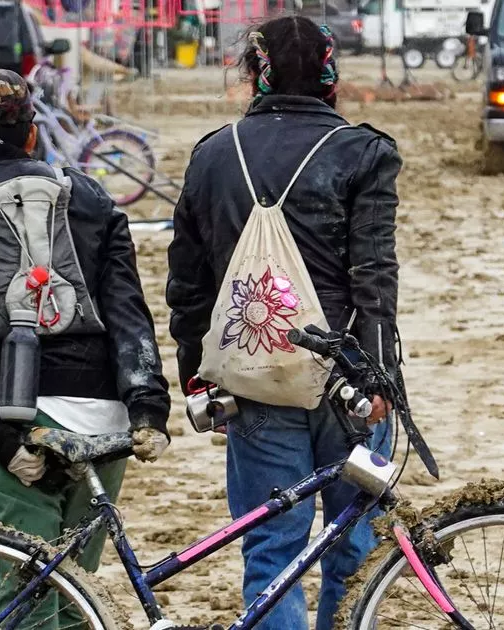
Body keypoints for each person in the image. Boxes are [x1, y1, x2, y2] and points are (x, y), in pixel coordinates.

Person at [166, 16, 402, 630]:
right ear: (330, 74)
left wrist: (196, 375)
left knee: (273, 553)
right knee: (356, 551)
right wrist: (380, 379)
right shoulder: (363, 152)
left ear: (255, 72)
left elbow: (188, 284)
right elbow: (374, 276)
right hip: (347, 378)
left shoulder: (212, 155)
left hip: (254, 370)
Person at [0, 68, 171, 628]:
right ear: (33, 134)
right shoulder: (92, 198)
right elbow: (129, 312)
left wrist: (4, 439)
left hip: (20, 413)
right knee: (77, 592)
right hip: (107, 419)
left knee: (27, 599)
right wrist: (148, 407)